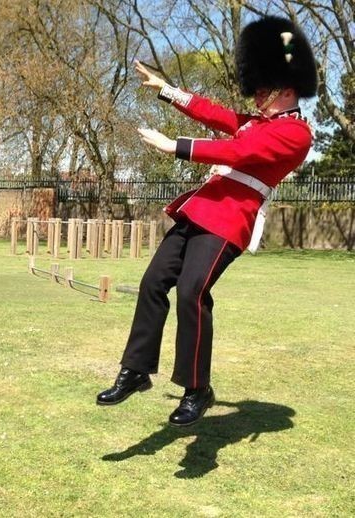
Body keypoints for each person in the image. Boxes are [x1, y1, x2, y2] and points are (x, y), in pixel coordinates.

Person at [96, 16, 317, 426]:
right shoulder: (260, 121)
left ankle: (197, 388)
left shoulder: (296, 133)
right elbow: (214, 114)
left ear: (287, 90)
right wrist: (166, 90)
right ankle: (137, 370)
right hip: (202, 208)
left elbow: (237, 153)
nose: (256, 97)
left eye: (263, 90)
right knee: (154, 281)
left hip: (231, 218)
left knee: (193, 291)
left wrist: (174, 146)